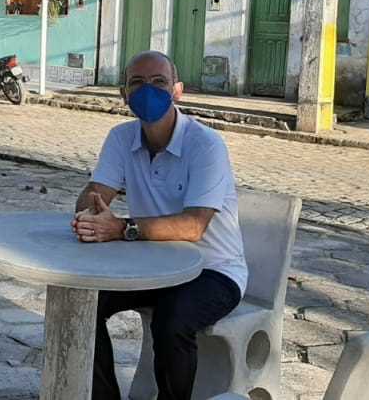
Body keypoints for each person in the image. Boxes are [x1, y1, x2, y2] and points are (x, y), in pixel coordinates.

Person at [72, 50, 247, 400]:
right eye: (136, 83)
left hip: (213, 271)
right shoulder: (121, 138)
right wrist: (93, 208)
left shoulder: (206, 145)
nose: (147, 90)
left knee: (172, 321)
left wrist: (121, 228)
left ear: (177, 90)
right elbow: (94, 196)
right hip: (151, 267)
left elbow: (194, 226)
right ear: (123, 94)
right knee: (81, 302)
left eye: (158, 82)